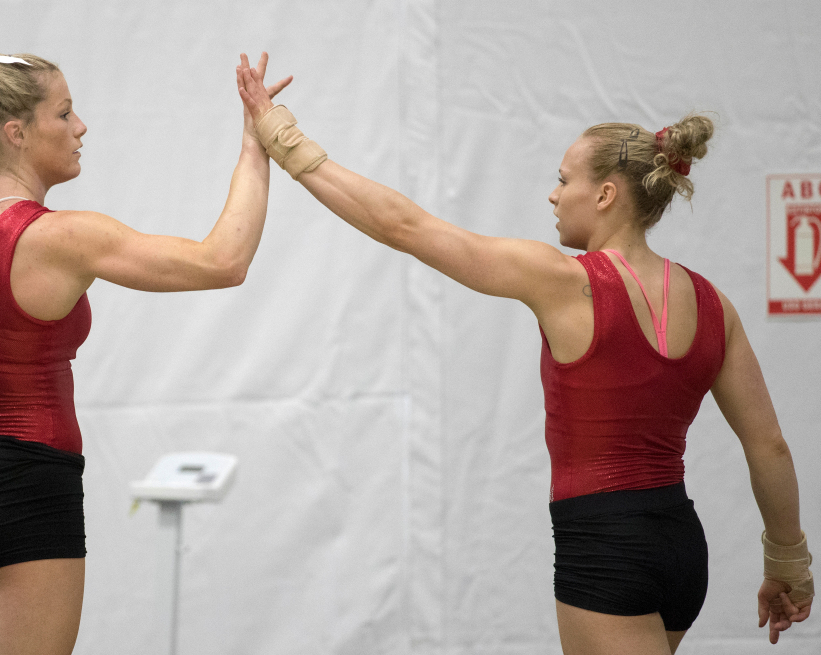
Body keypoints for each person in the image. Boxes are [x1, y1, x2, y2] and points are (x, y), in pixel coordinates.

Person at [236, 56, 813, 654]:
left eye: (565, 180)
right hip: (680, 544)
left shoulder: (565, 280)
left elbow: (405, 227)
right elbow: (768, 444)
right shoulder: (714, 304)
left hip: (605, 548)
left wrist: (282, 139)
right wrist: (788, 562)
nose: (554, 193)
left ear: (607, 194)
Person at [0, 32, 290, 655]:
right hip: (24, 482)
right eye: (64, 112)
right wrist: (254, 146)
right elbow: (223, 260)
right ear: (16, 132)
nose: (81, 126)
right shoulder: (59, 237)